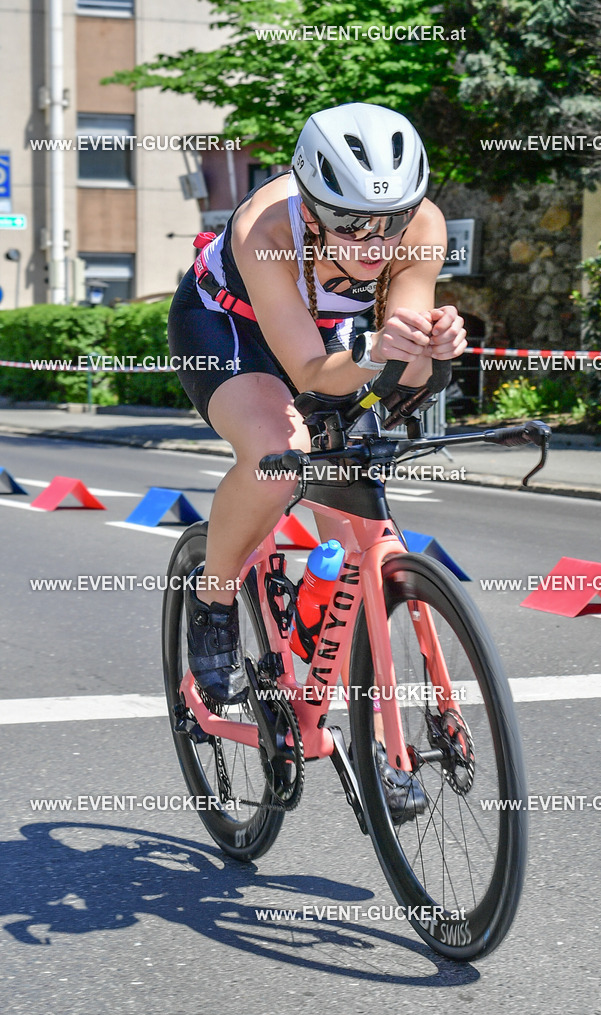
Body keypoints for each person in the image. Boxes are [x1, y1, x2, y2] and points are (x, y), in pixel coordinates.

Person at [167, 102, 467, 807]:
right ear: (309, 202)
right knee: (279, 453)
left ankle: (376, 734)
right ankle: (213, 598)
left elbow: (404, 354)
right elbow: (308, 372)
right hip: (230, 329)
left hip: (329, 341)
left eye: (388, 221)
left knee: (364, 528)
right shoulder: (266, 229)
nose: (374, 241)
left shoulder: (421, 226)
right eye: (351, 223)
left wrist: (429, 347)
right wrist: (377, 360)